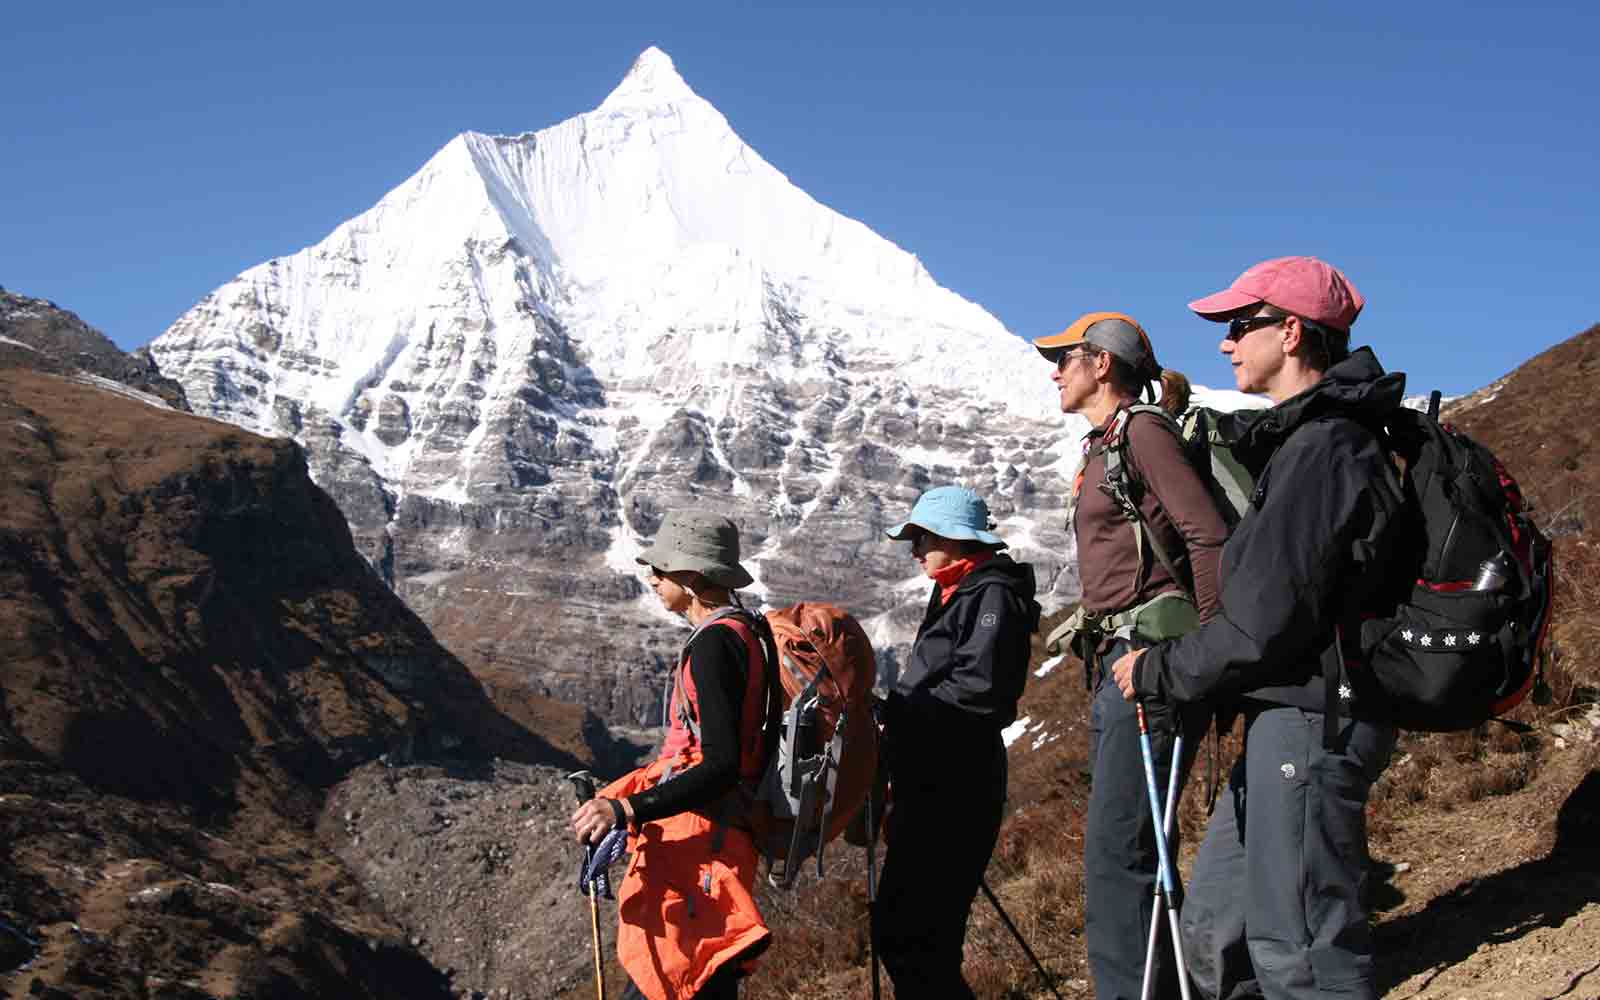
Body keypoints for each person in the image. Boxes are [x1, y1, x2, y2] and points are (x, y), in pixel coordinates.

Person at [1111, 256, 1404, 1000]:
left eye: (1242, 325)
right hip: (1292, 717)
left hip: (1315, 717)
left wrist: (1159, 670)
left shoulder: (1327, 448)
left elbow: (1262, 625)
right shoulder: (1310, 443)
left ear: (1294, 332)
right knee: (1216, 933)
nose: (1225, 343)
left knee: (1300, 947)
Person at [1032, 311, 1229, 1000]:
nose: (1054, 371)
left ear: (1103, 365)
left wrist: (1207, 649)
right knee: (1126, 843)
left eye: (1065, 358)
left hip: (1153, 657)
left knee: (1121, 851)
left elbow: (1207, 535)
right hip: (1126, 655)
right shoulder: (1103, 445)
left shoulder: (1142, 433)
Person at [569, 509, 772, 1000]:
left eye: (662, 569)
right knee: (704, 971)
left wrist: (626, 808)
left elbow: (719, 765)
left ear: (694, 576)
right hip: (724, 837)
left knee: (683, 974)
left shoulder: (712, 645)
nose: (653, 577)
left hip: (702, 842)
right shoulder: (747, 631)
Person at [872, 485, 1041, 998]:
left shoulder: (992, 593)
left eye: (922, 537)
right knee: (907, 935)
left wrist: (897, 713)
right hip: (932, 778)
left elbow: (980, 690)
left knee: (917, 940)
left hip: (957, 784)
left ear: (955, 538)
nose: (915, 548)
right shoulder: (956, 588)